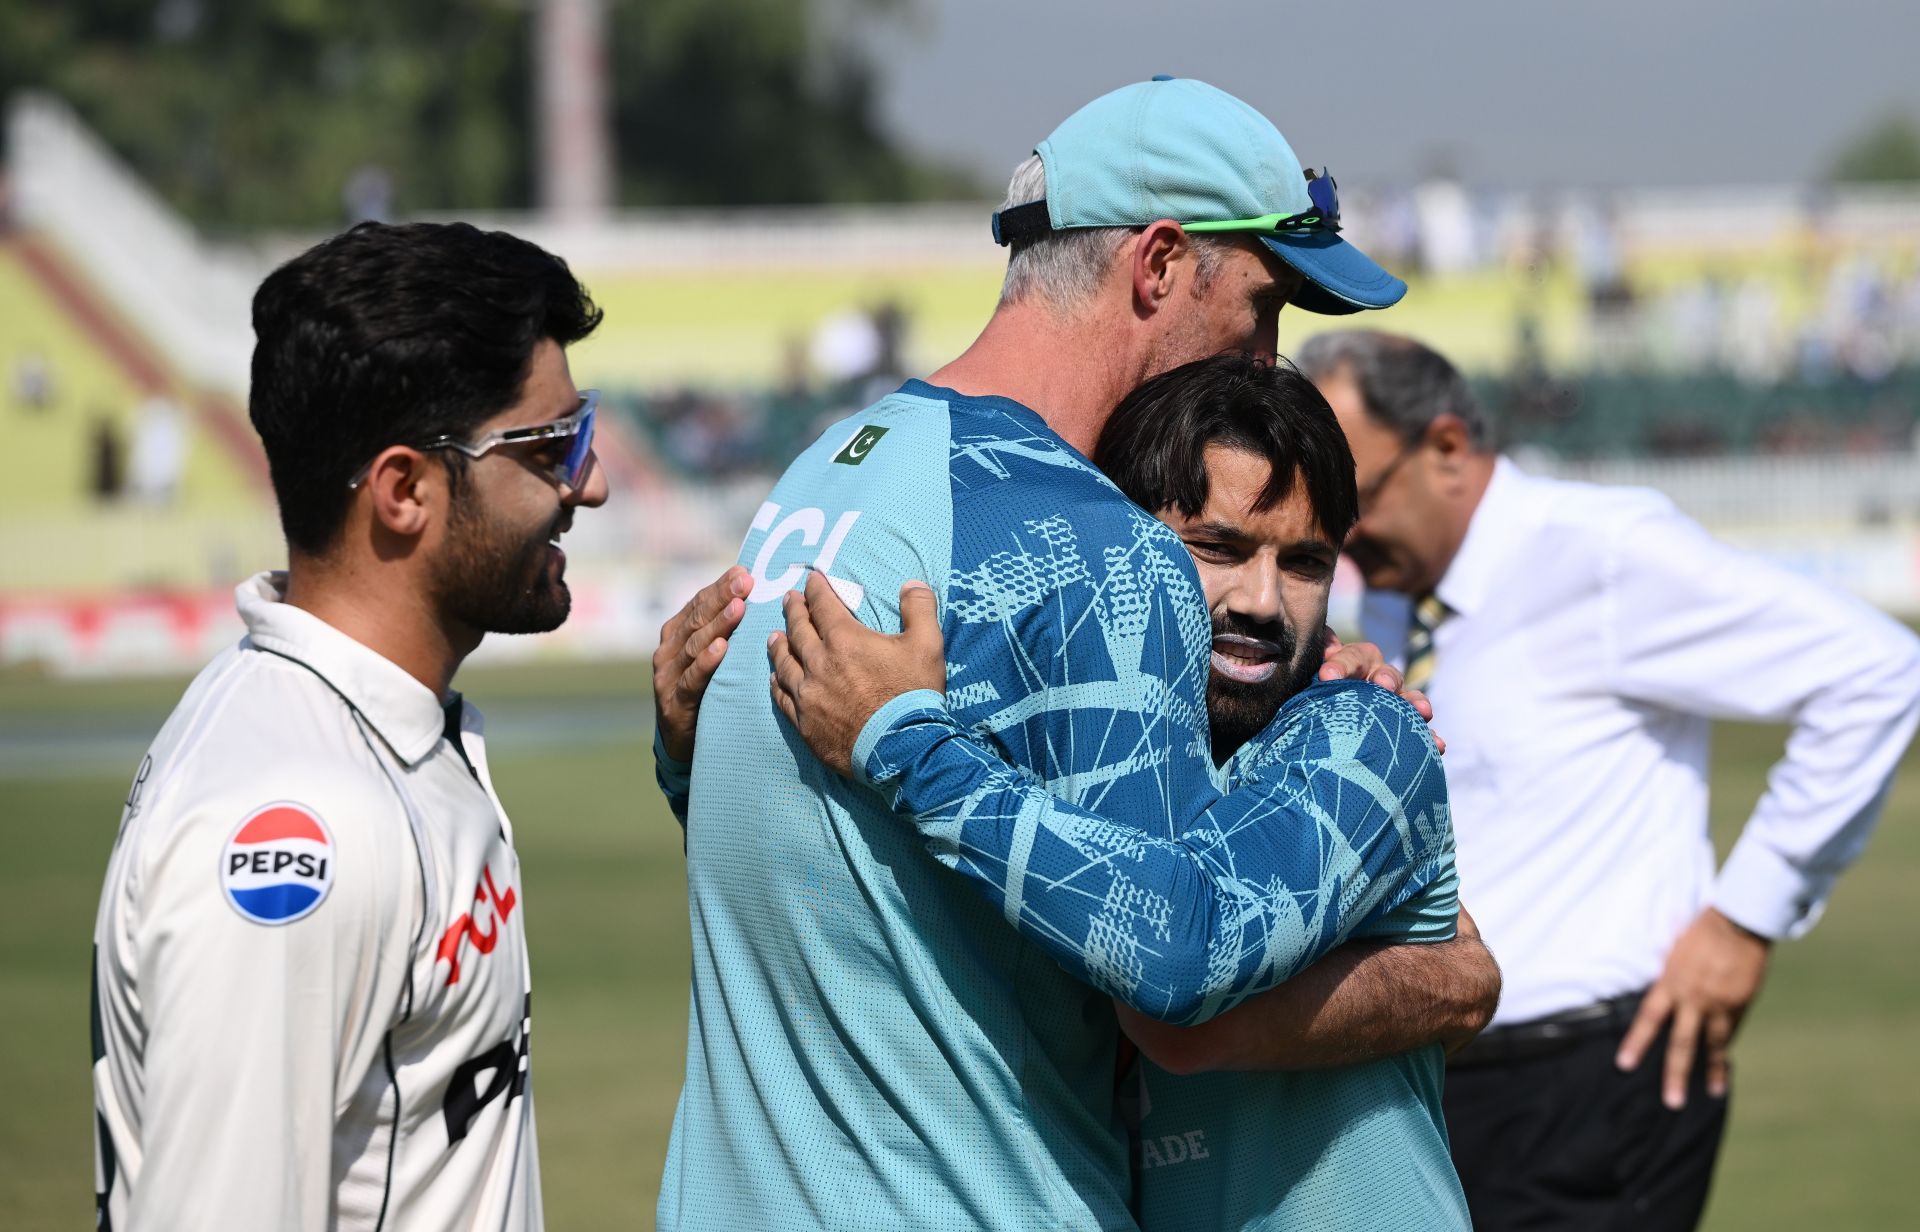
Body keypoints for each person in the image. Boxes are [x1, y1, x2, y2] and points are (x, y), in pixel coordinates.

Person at [648, 77, 1493, 1230]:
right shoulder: (1100, 550)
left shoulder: (829, 469)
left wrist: (677, 752)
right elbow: (1179, 971)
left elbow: (798, 846)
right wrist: (1455, 976)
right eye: (1263, 305)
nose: (1267, 360)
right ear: (1157, 266)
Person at [1296, 328, 1920, 1230]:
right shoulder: (1395, 591)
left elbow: (1877, 672)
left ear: (1446, 449)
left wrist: (1746, 918)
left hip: (1592, 1082)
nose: (1344, 542)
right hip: (1430, 1079)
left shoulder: (1603, 552)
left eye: (1359, 500)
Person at [90, 221, 609, 1231]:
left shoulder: (380, 729)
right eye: (551, 446)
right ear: (405, 490)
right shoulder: (295, 826)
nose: (586, 480)